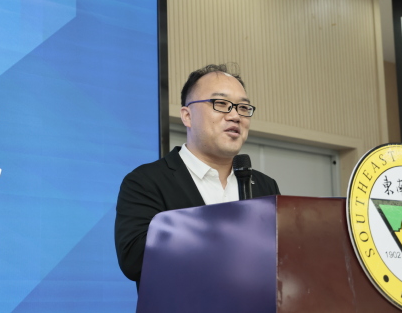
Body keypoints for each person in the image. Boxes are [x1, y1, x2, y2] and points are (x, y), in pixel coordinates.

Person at [114, 64, 280, 287]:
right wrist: (224, 229)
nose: (235, 116)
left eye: (243, 107)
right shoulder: (146, 181)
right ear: (187, 116)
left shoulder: (265, 186)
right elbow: (134, 260)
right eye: (221, 104)